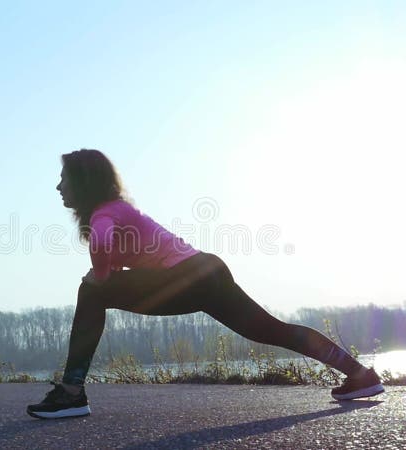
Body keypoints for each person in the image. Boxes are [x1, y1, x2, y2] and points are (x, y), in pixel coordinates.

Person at [27, 149, 384, 419]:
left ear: (84, 182)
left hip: (188, 277)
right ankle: (360, 374)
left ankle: (72, 391)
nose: (59, 186)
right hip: (203, 272)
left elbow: (103, 242)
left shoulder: (105, 213)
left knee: (91, 291)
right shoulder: (114, 209)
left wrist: (100, 275)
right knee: (269, 330)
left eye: (64, 179)